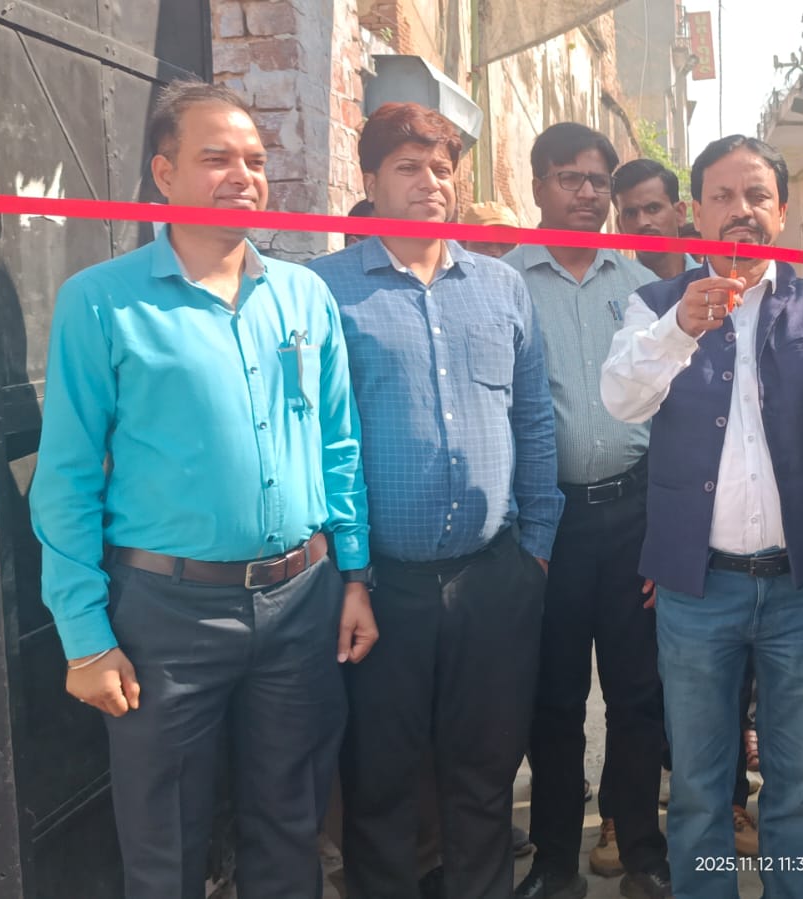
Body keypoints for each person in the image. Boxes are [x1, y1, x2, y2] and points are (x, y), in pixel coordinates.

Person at [30, 80, 377, 899]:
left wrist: (355, 575)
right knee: (166, 846)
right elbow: (67, 475)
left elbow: (339, 443)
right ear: (164, 173)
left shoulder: (303, 296)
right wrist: (84, 636)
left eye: (254, 160)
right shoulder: (102, 302)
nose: (242, 176)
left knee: (289, 829)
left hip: (300, 604)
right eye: (216, 158)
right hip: (167, 617)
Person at [601, 134, 803, 899]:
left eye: (756, 195)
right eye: (722, 196)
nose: (740, 210)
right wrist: (678, 329)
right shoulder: (655, 302)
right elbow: (622, 399)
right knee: (698, 786)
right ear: (696, 211)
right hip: (698, 590)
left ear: (782, 210)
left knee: (798, 785)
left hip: (801, 587)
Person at [308, 101, 562, 899]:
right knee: (379, 779)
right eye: (408, 167)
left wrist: (536, 546)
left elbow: (533, 419)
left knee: (485, 773)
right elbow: (315, 435)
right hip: (379, 586)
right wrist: (347, 572)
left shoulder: (501, 287)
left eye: (442, 169)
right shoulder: (324, 291)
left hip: (493, 577)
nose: (430, 183)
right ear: (370, 179)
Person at [501, 123, 670, 899]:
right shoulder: (502, 283)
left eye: (597, 180)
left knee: (637, 692)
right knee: (554, 697)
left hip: (632, 514)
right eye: (568, 177)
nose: (585, 193)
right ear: (536, 185)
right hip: (548, 525)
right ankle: (554, 860)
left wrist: (665, 533)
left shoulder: (641, 288)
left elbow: (668, 409)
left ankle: (641, 850)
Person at [612, 158, 696, 281]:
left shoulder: (714, 280)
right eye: (631, 214)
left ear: (679, 213)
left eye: (653, 209)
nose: (642, 222)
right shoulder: (615, 288)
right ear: (620, 226)